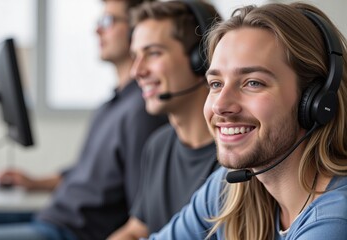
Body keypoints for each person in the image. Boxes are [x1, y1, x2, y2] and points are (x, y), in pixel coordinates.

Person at [147, 2, 347, 240]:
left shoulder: (334, 222)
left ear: (314, 101)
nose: (220, 105)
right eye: (216, 84)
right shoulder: (231, 189)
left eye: (253, 82)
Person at [0, 0, 167, 239]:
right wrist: (32, 182)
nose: (97, 30)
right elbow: (81, 173)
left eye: (108, 21)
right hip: (50, 217)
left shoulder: (142, 111)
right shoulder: (109, 107)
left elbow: (141, 212)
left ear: (136, 31)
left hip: (72, 232)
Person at [106, 1, 222, 239]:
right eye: (135, 56)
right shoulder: (158, 146)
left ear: (201, 59)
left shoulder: (235, 156)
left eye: (153, 53)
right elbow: (136, 230)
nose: (136, 71)